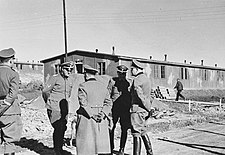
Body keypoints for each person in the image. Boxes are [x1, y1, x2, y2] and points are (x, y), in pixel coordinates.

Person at [76, 64, 112, 155]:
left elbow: (83, 103)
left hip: (87, 118)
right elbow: (109, 103)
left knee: (86, 146)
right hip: (101, 119)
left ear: (86, 75)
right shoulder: (103, 87)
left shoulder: (83, 86)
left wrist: (92, 115)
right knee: (100, 146)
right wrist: (103, 114)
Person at [42, 61, 74, 155]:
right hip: (55, 108)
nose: (69, 71)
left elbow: (69, 93)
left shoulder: (70, 80)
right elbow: (45, 91)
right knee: (58, 128)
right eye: (67, 69)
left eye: (70, 70)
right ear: (61, 69)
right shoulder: (54, 78)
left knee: (63, 127)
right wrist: (50, 102)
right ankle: (57, 150)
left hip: (64, 107)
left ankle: (59, 148)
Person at [0, 48, 23, 155]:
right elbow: (12, 93)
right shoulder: (13, 74)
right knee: (10, 139)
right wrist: (4, 105)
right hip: (10, 110)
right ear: (10, 60)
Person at [130, 59, 153, 155]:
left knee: (136, 132)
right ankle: (149, 152)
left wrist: (148, 107)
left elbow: (140, 95)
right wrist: (149, 107)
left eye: (132, 69)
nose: (131, 71)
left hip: (137, 109)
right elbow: (151, 95)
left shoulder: (137, 80)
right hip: (144, 110)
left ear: (136, 69)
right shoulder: (146, 79)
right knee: (143, 130)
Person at [108, 65, 131, 155]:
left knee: (124, 129)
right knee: (111, 128)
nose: (122, 76)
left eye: (124, 74)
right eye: (120, 74)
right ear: (118, 73)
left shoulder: (129, 83)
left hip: (125, 109)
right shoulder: (113, 82)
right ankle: (110, 147)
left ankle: (122, 149)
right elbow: (108, 95)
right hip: (114, 109)